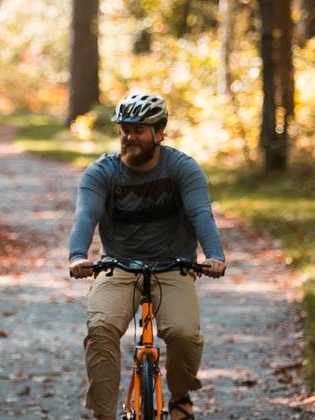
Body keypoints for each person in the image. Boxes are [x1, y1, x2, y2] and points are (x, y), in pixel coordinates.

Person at [68, 93, 226, 420]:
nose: (130, 136)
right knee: (100, 329)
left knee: (184, 333)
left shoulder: (182, 168)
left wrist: (214, 255)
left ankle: (180, 396)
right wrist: (77, 255)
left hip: (174, 266)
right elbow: (85, 216)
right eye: (125, 129)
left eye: (139, 130)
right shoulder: (102, 172)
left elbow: (200, 213)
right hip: (118, 267)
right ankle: (104, 415)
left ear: (160, 131)